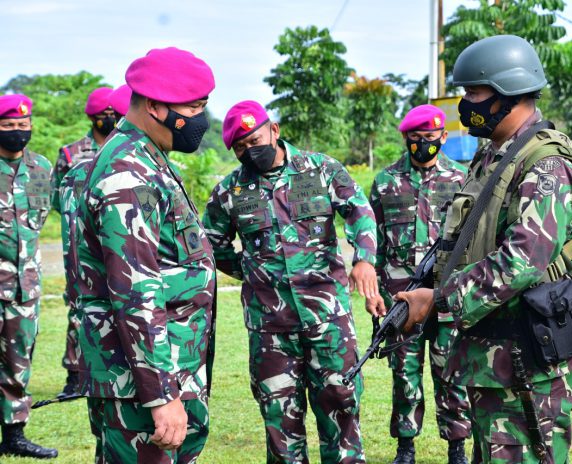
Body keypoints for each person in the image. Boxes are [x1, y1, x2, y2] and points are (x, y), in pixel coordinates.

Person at [397, 35, 572, 463]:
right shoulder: (493, 157)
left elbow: (524, 258)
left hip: (530, 362)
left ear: (507, 91)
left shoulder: (545, 164)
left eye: (473, 93)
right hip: (496, 357)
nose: (465, 104)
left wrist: (439, 300)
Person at [203, 100, 378, 463]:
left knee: (342, 412)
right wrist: (254, 270)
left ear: (274, 130)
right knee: (280, 427)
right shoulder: (229, 192)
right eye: (240, 148)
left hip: (328, 321)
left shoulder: (322, 169)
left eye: (254, 140)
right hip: (270, 330)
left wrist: (364, 258)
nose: (250, 151)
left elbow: (359, 212)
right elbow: (213, 244)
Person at [74, 47, 216, 463]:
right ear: (154, 106)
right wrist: (160, 395)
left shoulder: (148, 158)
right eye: (195, 107)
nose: (202, 120)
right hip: (142, 379)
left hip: (162, 364)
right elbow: (135, 291)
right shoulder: (128, 174)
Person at [367, 104, 471, 464]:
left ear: (443, 138)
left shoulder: (462, 181)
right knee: (404, 374)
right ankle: (405, 447)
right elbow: (374, 242)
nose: (423, 144)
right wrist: (378, 296)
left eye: (430, 138)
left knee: (451, 373)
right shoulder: (384, 183)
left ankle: (457, 447)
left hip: (445, 297)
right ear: (405, 138)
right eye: (416, 138)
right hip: (402, 298)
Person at [55, 83, 133, 400]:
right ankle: (75, 374)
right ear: (92, 116)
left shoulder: (123, 147)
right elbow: (58, 200)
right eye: (104, 114)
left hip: (113, 236)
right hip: (76, 240)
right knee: (78, 301)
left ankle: (108, 368)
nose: (110, 118)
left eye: (114, 113)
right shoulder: (70, 155)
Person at [0, 94, 58, 459]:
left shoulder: (41, 167)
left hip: (25, 285)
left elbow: (39, 217)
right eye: (9, 126)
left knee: (18, 363)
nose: (17, 132)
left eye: (23, 125)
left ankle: (14, 436)